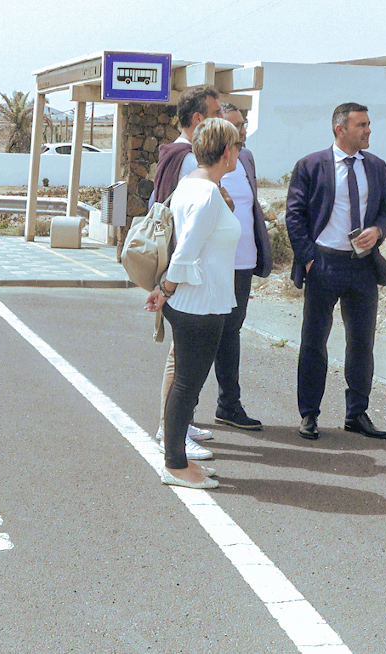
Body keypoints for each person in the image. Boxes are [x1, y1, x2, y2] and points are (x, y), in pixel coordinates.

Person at [285, 102, 386, 441]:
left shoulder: (376, 166)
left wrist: (378, 230)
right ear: (340, 129)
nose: (368, 130)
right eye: (361, 125)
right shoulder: (310, 165)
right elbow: (294, 215)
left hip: (362, 265)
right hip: (323, 264)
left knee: (361, 343)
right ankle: (309, 414)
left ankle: (356, 413)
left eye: (368, 124)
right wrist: (309, 260)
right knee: (314, 342)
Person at [145, 117, 242, 489]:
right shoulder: (207, 194)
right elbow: (185, 252)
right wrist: (165, 291)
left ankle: (177, 461)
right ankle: (175, 465)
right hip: (198, 304)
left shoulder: (192, 184)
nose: (239, 151)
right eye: (237, 145)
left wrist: (166, 291)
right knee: (187, 387)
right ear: (226, 151)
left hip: (199, 300)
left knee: (186, 385)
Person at [151, 86, 224, 460]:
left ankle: (178, 423)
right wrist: (169, 285)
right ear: (199, 119)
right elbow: (190, 227)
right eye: (216, 113)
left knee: (180, 356)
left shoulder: (171, 154)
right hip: (186, 274)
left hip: (177, 270)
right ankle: (171, 429)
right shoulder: (188, 161)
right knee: (181, 361)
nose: (222, 118)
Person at [211, 103, 273, 431]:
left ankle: (228, 404)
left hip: (243, 262)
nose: (243, 130)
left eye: (244, 123)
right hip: (212, 263)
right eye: (236, 125)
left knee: (231, 332)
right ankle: (183, 414)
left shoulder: (246, 158)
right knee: (205, 334)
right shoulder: (200, 161)